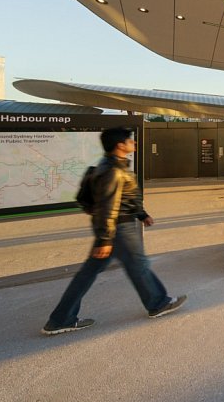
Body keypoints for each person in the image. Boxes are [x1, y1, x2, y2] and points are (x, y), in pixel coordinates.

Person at [42, 127, 186, 335]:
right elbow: (107, 207)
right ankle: (158, 303)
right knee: (139, 266)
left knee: (89, 273)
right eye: (130, 140)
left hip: (115, 227)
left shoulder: (110, 165)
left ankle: (60, 318)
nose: (133, 143)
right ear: (120, 145)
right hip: (118, 229)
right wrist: (104, 240)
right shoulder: (113, 171)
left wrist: (141, 214)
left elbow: (124, 198)